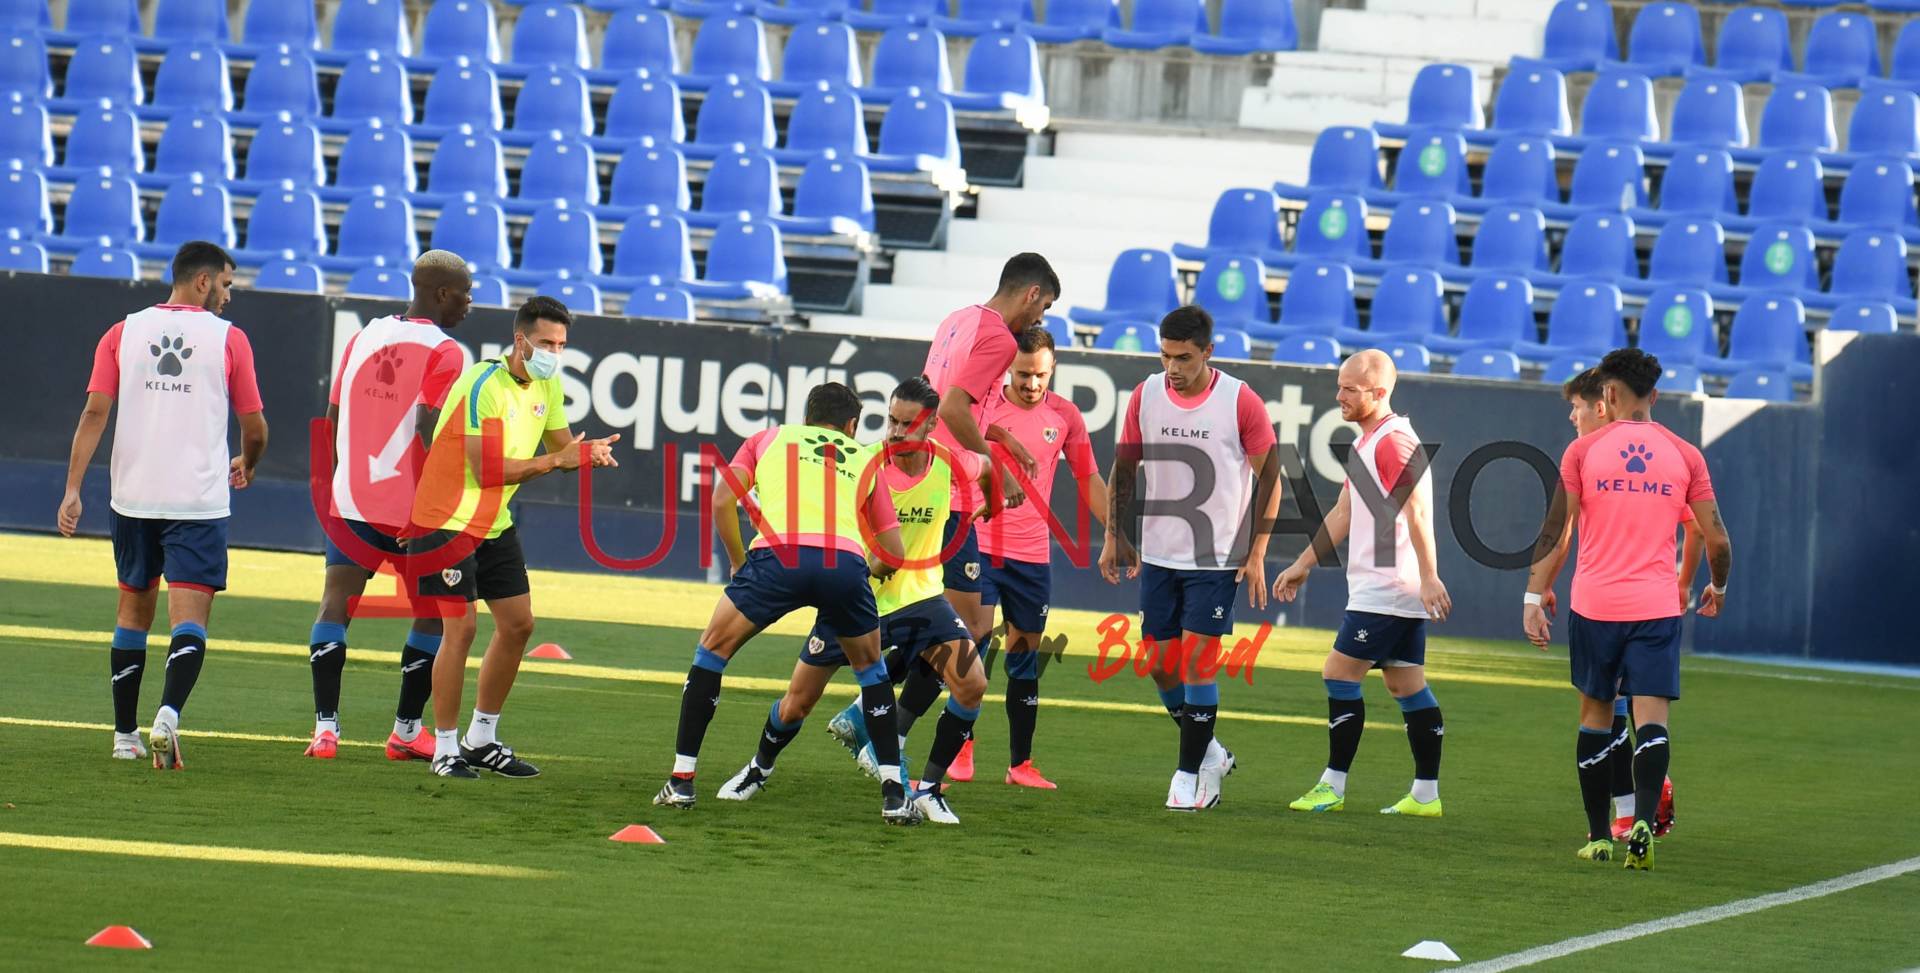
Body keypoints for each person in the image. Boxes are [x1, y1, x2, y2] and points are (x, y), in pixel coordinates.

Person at [715, 378, 995, 824]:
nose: (896, 433)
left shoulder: (950, 462)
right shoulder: (862, 462)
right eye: (891, 421)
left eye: (908, 424)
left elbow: (986, 465)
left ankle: (929, 790)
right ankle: (758, 768)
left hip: (921, 598)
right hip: (858, 598)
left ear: (932, 425)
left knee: (972, 682)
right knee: (798, 703)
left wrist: (993, 502)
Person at [653, 383, 918, 825]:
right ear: (852, 426)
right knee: (872, 672)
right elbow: (893, 548)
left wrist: (739, 562)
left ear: (807, 417)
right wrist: (864, 568)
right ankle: (894, 794)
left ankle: (681, 781)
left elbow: (722, 500)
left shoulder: (768, 439)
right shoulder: (865, 458)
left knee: (711, 652)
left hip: (776, 559)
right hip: (844, 565)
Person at [58, 241, 267, 769]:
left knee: (132, 611)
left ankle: (124, 735)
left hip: (133, 496)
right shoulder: (228, 339)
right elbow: (255, 427)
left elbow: (94, 414)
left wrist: (73, 490)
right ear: (202, 282)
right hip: (196, 499)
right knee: (189, 617)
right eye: (225, 285)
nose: (227, 296)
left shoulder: (121, 331)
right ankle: (169, 715)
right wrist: (250, 459)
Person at [1523, 348, 1732, 870]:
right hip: (1656, 608)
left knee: (1596, 717)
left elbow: (1556, 531)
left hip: (1595, 606)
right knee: (1652, 720)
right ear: (1654, 396)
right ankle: (1641, 821)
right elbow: (1717, 539)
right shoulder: (1686, 455)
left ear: (1608, 395)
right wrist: (1717, 587)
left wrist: (1533, 595)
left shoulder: (1583, 453)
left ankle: (1598, 836)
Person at [410, 296, 620, 779]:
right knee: (459, 630)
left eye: (562, 344)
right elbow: (486, 472)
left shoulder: (548, 381)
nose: (554, 351)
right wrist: (558, 461)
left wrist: (585, 454)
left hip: (492, 522)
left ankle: (481, 737)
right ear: (519, 339)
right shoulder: (482, 383)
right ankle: (444, 748)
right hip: (446, 520)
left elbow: (559, 448)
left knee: (519, 625)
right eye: (546, 341)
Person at [1099, 305, 1281, 811]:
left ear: (1208, 353)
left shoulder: (1240, 401)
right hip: (1159, 555)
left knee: (1198, 666)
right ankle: (1211, 753)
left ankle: (1188, 777)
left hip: (1217, 558)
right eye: (1165, 356)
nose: (1172, 368)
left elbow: (1272, 478)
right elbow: (1125, 468)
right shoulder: (1146, 394)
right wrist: (1115, 535)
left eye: (1183, 357)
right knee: (1161, 666)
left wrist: (1258, 550)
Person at [302, 250, 472, 762]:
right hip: (410, 509)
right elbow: (427, 431)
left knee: (337, 604)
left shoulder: (363, 336)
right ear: (441, 293)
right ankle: (405, 730)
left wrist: (338, 484)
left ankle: (325, 729)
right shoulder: (447, 352)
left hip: (353, 497)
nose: (470, 301)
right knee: (433, 616)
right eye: (465, 291)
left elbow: (331, 418)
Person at [1271, 350, 1453, 818]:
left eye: (1350, 389)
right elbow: (1345, 512)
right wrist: (1304, 562)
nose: (1339, 396)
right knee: (1407, 685)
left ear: (1379, 392)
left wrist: (1430, 577)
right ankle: (1426, 796)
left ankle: (1332, 786)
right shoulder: (1368, 443)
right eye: (1339, 385)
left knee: (1338, 673)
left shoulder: (1392, 442)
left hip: (1388, 586)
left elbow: (1417, 511)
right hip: (1393, 586)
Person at [919, 253, 1057, 780]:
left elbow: (942, 405)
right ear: (1030, 294)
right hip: (953, 495)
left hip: (927, 480)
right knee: (956, 630)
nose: (1038, 320)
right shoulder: (1000, 336)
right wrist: (991, 472)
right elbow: (955, 409)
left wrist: (995, 437)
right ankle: (874, 720)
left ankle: (890, 726)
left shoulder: (956, 319)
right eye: (1042, 306)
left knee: (966, 625)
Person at [1554, 368, 1695, 839]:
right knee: (1618, 714)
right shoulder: (1589, 457)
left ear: (1603, 404)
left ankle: (1627, 812)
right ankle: (1631, 809)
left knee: (1608, 712)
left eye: (1576, 408)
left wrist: (1683, 582)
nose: (1572, 418)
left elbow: (1697, 525)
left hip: (1617, 603)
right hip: (1625, 601)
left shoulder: (1623, 455)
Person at [967, 324, 1109, 789]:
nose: (1031, 385)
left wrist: (1117, 533)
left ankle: (1020, 765)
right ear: (1009, 367)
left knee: (1025, 658)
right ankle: (959, 750)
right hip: (980, 546)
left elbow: (1088, 477)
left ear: (1053, 370)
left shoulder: (1065, 415)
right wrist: (1002, 439)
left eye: (1041, 375)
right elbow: (948, 417)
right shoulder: (984, 401)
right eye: (1024, 374)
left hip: (1031, 556)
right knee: (972, 652)